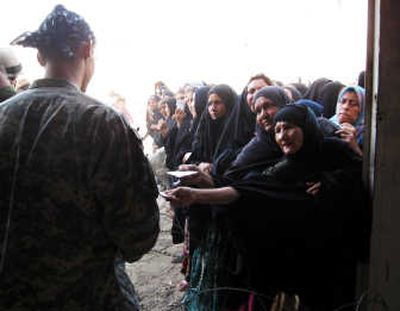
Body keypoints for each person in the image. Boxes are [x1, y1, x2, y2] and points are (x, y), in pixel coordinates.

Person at [0, 5, 159, 310]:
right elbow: (138, 235)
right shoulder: (103, 122)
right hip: (89, 298)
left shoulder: (3, 116)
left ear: (40, 56)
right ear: (87, 49)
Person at [166, 104, 367, 310]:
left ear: (306, 127)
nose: (282, 136)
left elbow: (359, 177)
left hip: (337, 260)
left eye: (288, 127)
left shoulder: (334, 150)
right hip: (302, 264)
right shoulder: (284, 167)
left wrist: (330, 183)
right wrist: (198, 189)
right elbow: (248, 191)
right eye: (277, 131)